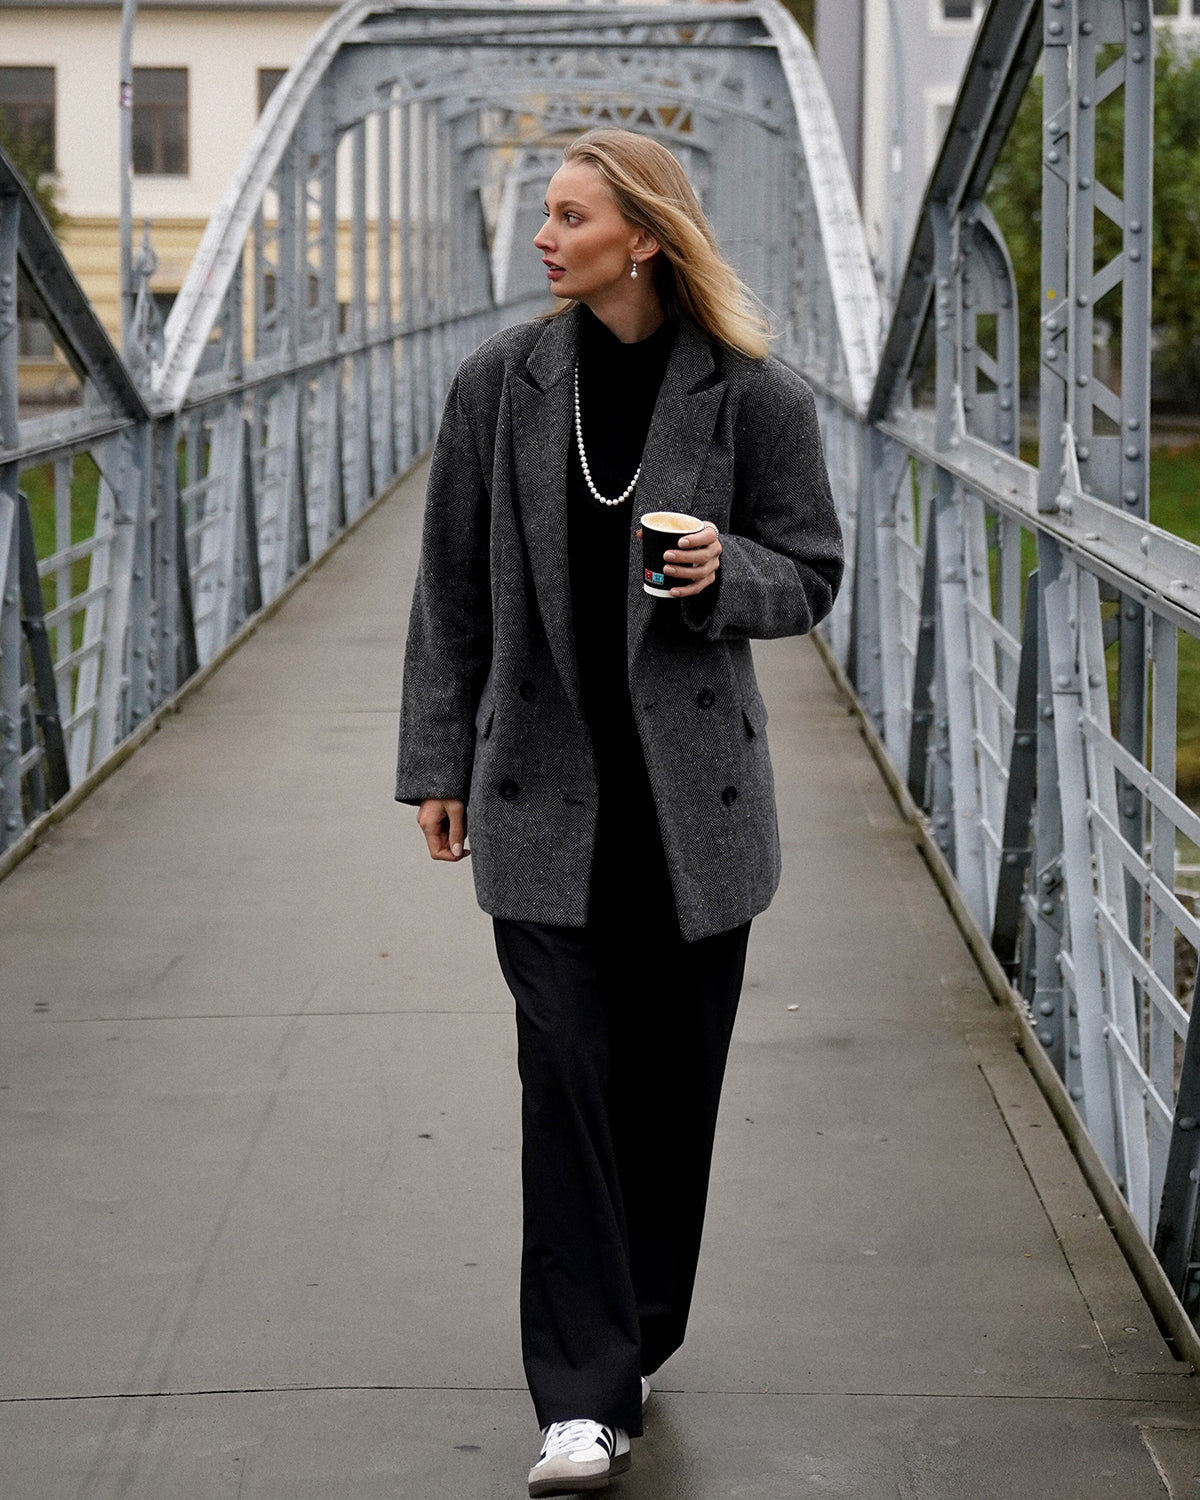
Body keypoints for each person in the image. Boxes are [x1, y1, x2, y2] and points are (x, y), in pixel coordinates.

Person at [396, 127, 841, 1498]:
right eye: (545, 214)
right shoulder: (501, 386)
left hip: (691, 820)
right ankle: (581, 1398)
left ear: (641, 235)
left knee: (667, 1101)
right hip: (545, 807)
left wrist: (724, 574)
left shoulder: (753, 399)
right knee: (568, 1090)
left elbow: (812, 572)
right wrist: (436, 761)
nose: (544, 235)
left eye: (569, 214)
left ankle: (637, 1332)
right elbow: (449, 591)